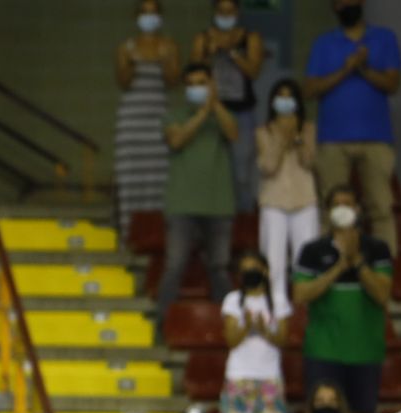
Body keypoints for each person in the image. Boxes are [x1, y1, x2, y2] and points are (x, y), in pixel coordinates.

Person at [292, 184, 392, 413]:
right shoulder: (312, 251)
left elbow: (382, 295)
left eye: (348, 204)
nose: (343, 210)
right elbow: (300, 294)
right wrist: (338, 267)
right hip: (323, 351)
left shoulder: (377, 249)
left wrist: (357, 261)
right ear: (328, 212)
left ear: (358, 210)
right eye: (337, 205)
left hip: (365, 351)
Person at [305, 0, 401, 251]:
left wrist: (363, 68)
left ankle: (383, 271)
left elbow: (392, 84)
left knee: (380, 209)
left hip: (377, 139)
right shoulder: (323, 43)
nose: (345, 5)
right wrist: (346, 69)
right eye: (339, 2)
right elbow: (311, 89)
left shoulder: (384, 38)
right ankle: (330, 267)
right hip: (332, 140)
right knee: (333, 211)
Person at [156, 62, 237, 325]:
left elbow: (234, 134)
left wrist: (215, 106)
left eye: (202, 83)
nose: (196, 88)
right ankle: (163, 324)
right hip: (182, 204)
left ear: (212, 84)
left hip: (219, 204)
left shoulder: (222, 115)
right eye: (191, 84)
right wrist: (203, 113)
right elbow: (176, 140)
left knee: (219, 269)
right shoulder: (174, 115)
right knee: (175, 266)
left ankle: (228, 325)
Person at [113, 0, 180, 238]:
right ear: (137, 16)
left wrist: (165, 59)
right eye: (144, 12)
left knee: (159, 180)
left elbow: (173, 82)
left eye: (153, 13)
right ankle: (128, 236)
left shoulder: (169, 45)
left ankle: (156, 237)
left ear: (160, 17)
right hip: (132, 120)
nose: (149, 17)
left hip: (158, 119)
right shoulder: (126, 47)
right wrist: (131, 61)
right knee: (131, 180)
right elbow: (123, 81)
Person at [220, 248, 291, 413]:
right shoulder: (233, 300)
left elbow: (283, 340)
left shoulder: (277, 300)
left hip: (269, 374)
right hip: (240, 374)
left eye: (255, 269)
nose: (251, 273)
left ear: (265, 271)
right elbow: (231, 340)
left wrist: (264, 330)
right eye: (245, 270)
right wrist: (247, 327)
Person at [191, 0, 262, 212]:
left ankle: (243, 225)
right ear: (214, 12)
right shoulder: (203, 38)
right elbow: (192, 70)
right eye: (221, 11)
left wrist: (232, 52)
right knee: (208, 170)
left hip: (242, 113)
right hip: (209, 113)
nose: (225, 15)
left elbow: (254, 71)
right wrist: (209, 53)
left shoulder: (251, 37)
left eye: (229, 11)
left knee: (240, 175)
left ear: (237, 12)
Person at [256, 79, 319, 306]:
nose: (285, 101)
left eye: (289, 96)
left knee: (307, 259)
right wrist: (282, 138)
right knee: (274, 260)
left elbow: (309, 161)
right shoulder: (263, 132)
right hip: (274, 201)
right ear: (273, 102)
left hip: (305, 201)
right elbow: (269, 167)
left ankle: (307, 305)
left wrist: (298, 137)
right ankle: (278, 306)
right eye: (280, 96)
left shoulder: (309, 129)